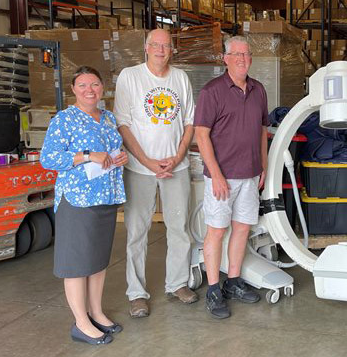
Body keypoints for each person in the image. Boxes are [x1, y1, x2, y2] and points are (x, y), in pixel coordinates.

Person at [41, 66, 128, 345]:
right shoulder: (64, 120)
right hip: (78, 200)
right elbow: (49, 158)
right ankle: (81, 323)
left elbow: (112, 151)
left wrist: (120, 157)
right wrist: (88, 155)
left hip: (106, 197)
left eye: (94, 84)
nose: (90, 90)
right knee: (77, 264)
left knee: (97, 262)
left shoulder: (109, 117)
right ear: (73, 89)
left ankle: (96, 313)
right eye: (83, 85)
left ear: (102, 87)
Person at [114, 28, 197, 318]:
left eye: (166, 45)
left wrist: (179, 155)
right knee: (137, 231)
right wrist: (147, 161)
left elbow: (189, 122)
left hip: (177, 166)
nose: (161, 49)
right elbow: (122, 124)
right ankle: (137, 294)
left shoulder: (180, 78)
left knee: (179, 228)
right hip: (140, 168)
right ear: (146, 48)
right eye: (156, 45)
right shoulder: (130, 76)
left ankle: (177, 284)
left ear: (172, 50)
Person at [194, 36, 268, 319]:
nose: (241, 58)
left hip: (249, 175)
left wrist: (263, 164)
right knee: (216, 231)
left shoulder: (259, 90)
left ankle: (233, 281)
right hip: (221, 177)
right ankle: (213, 290)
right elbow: (201, 134)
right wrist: (216, 174)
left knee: (241, 229)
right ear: (225, 58)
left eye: (246, 54)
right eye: (235, 54)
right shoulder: (212, 91)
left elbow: (262, 130)